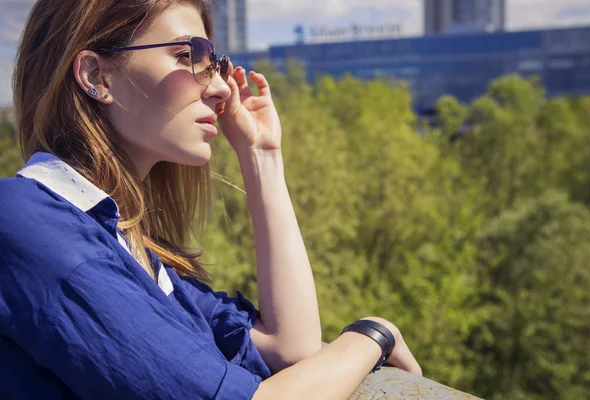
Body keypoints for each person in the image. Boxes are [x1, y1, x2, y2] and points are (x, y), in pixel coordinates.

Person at [0, 0, 422, 399]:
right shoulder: (28, 224)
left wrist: (262, 156)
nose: (221, 89)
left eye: (214, 62)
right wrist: (374, 333)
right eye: (189, 57)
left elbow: (290, 345)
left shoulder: (123, 248)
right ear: (97, 77)